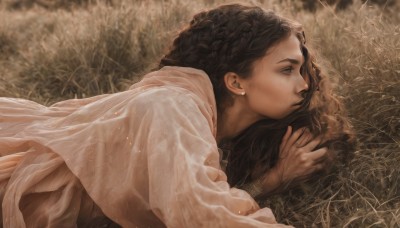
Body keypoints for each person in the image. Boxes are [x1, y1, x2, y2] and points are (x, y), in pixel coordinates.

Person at [0, 3, 353, 227]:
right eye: (287, 69)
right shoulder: (174, 106)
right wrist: (272, 183)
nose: (305, 84)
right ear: (235, 82)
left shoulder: (196, 114)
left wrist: (273, 178)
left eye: (302, 69)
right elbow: (201, 215)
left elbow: (191, 199)